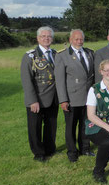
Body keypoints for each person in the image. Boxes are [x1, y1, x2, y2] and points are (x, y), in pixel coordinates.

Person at [55, 29, 95, 162]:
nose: (79, 41)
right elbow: (60, 81)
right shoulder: (62, 55)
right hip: (72, 98)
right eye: (76, 39)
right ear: (71, 40)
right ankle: (72, 152)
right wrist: (63, 100)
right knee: (71, 126)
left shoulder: (89, 53)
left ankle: (85, 148)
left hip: (87, 97)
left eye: (81, 39)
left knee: (86, 125)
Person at [20, 26, 58, 162]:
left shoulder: (55, 54)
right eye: (43, 36)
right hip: (37, 99)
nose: (46, 38)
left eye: (49, 36)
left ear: (52, 38)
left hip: (53, 97)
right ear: (38, 38)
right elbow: (27, 80)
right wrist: (32, 101)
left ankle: (49, 149)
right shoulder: (30, 56)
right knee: (34, 127)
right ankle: (38, 153)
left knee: (51, 125)